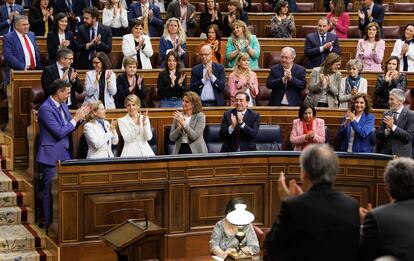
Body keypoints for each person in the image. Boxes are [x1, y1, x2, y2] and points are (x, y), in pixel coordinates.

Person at [264, 143, 360, 261]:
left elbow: (271, 246)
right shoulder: (351, 205)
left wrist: (286, 202)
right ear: (334, 173)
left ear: (305, 174)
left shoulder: (293, 206)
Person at [36, 79, 90, 232]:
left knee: (65, 192)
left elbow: (68, 127)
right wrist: (75, 118)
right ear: (58, 92)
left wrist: (80, 119)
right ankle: (49, 227)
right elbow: (59, 132)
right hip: (51, 156)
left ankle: (63, 226)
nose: (68, 95)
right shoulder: (45, 109)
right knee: (50, 193)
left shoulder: (64, 105)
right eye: (67, 93)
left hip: (66, 154)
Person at [360, 157, 414, 261]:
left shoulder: (377, 217)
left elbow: (363, 255)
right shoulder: (378, 216)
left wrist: (365, 224)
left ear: (387, 188)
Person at [3, 15, 42, 83]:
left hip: (35, 71)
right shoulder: (8, 38)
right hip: (18, 72)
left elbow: (36, 52)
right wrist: (23, 67)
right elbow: (8, 56)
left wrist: (39, 69)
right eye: (24, 25)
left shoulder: (31, 34)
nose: (27, 26)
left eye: (27, 24)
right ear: (16, 26)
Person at [376, 88, 414, 158]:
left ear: (400, 101)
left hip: (403, 156)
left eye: (391, 99)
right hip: (386, 154)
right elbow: (378, 135)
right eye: (389, 99)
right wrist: (387, 130)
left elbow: (408, 137)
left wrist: (393, 127)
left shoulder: (411, 115)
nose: (388, 102)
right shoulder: (386, 114)